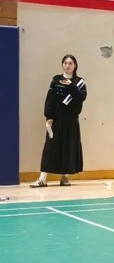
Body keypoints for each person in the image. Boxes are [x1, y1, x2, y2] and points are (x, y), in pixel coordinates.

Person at [31, 55, 87, 187]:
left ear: (75, 65)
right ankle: (42, 178)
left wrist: (71, 86)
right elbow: (50, 99)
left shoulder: (80, 82)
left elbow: (81, 98)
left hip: (71, 120)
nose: (67, 65)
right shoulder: (56, 80)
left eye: (70, 63)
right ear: (62, 65)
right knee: (49, 148)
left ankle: (64, 177)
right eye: (65, 63)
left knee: (68, 147)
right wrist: (49, 116)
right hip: (56, 119)